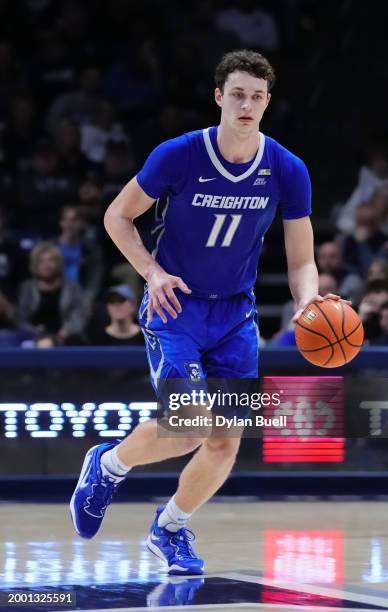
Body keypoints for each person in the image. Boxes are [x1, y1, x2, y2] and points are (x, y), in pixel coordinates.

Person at [70, 49, 346, 575]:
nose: (247, 105)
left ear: (268, 103)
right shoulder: (178, 154)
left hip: (235, 316)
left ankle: (169, 528)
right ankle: (107, 467)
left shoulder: (288, 169)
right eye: (237, 94)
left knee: (223, 442)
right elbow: (116, 217)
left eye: (257, 97)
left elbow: (302, 259)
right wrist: (151, 273)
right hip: (176, 305)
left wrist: (308, 301)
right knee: (191, 424)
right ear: (219, 97)